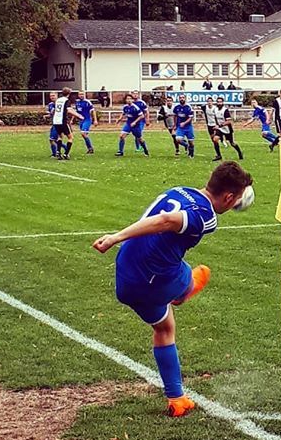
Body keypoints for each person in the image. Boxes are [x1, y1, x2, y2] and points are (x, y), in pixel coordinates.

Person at [92, 161, 253, 417]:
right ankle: (183, 290)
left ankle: (176, 398)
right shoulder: (206, 217)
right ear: (229, 196)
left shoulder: (178, 191)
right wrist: (115, 236)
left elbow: (159, 217)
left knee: (165, 327)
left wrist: (119, 240)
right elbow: (166, 220)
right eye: (236, 201)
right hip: (154, 279)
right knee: (189, 279)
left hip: (125, 271)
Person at [52, 87, 83, 160]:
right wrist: (79, 116)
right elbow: (69, 110)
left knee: (60, 136)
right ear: (69, 94)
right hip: (62, 121)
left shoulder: (58, 100)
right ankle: (66, 154)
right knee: (70, 137)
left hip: (56, 121)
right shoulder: (66, 100)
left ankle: (58, 152)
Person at [173, 93, 195, 158]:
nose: (182, 99)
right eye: (180, 98)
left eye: (183, 98)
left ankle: (191, 154)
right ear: (179, 99)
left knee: (191, 142)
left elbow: (190, 118)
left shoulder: (188, 107)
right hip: (180, 127)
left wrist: (184, 123)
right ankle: (186, 145)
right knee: (178, 139)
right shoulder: (177, 107)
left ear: (185, 98)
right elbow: (175, 116)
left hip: (188, 127)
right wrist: (175, 125)